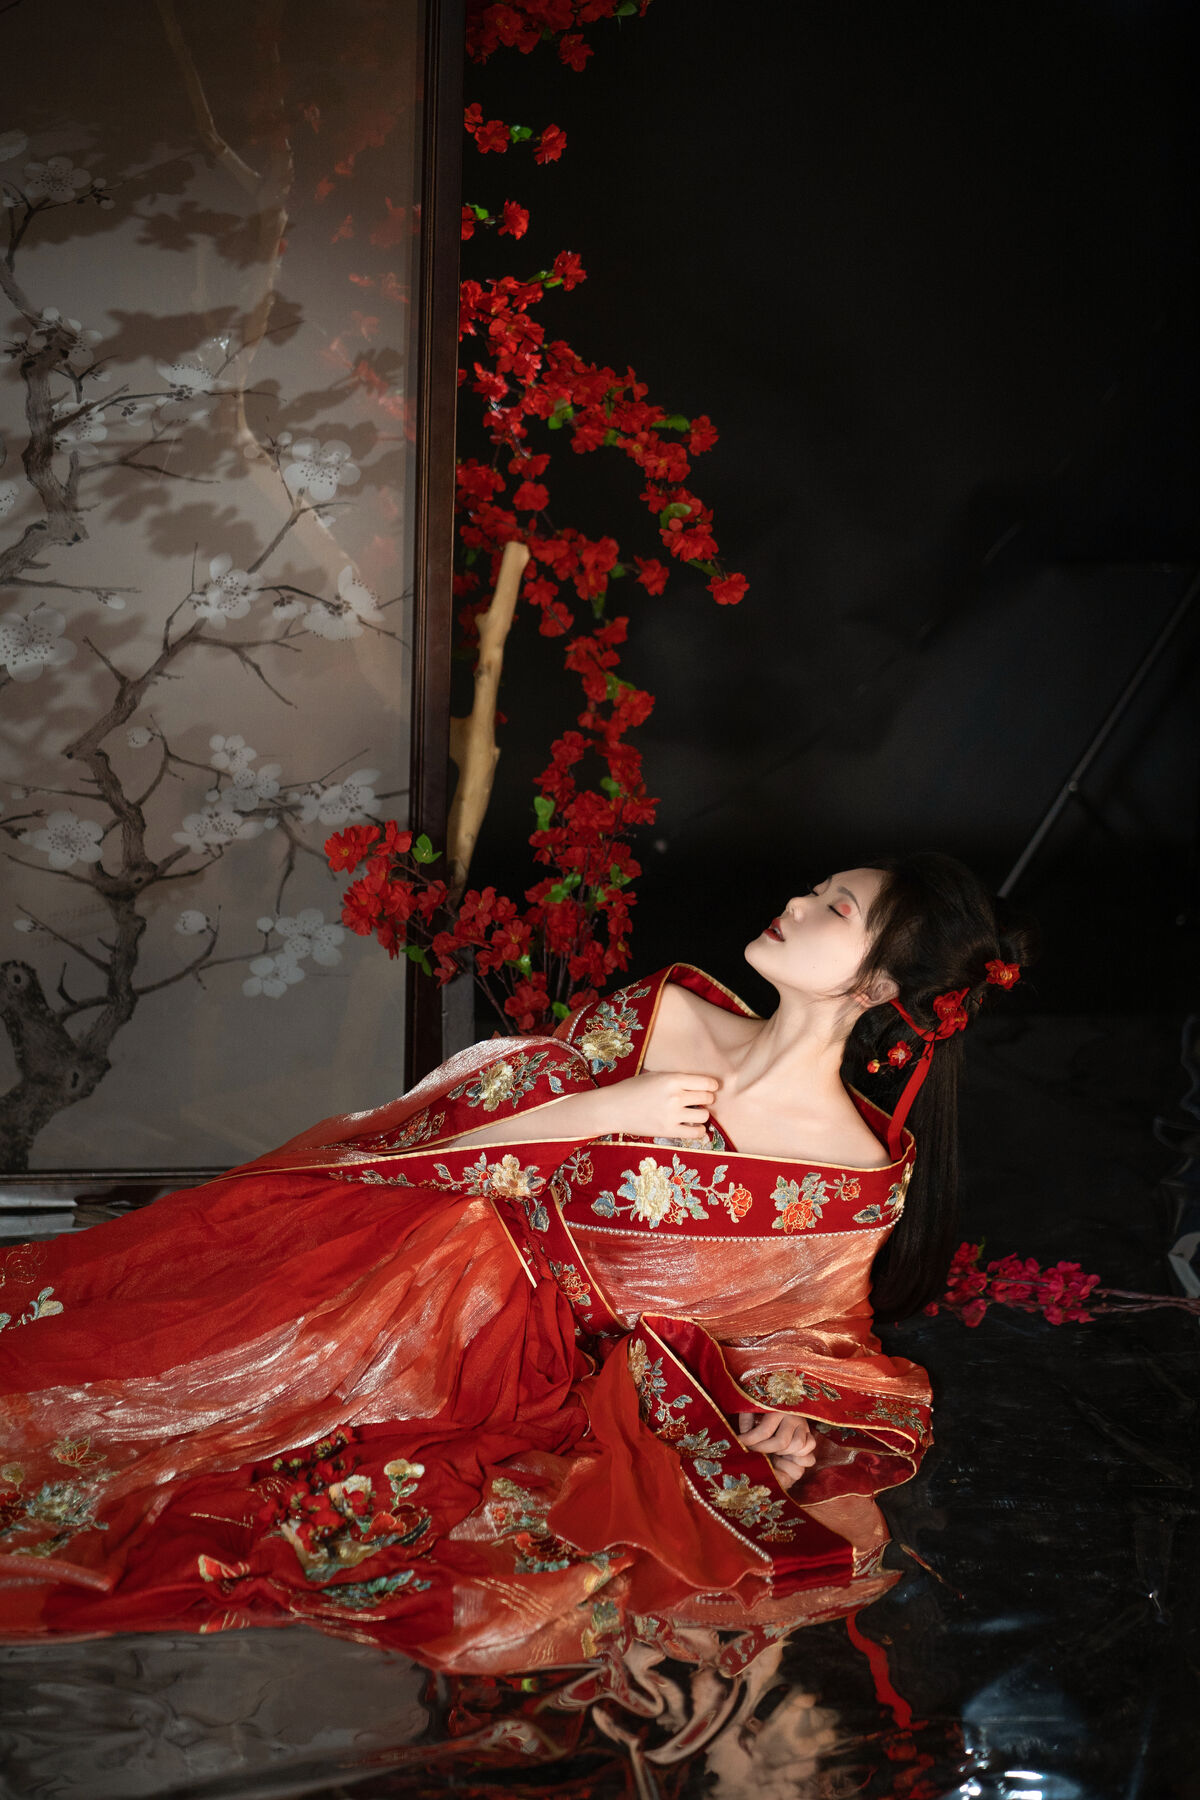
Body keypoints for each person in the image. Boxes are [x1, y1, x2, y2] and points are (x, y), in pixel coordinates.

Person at [0, 851, 1027, 1678]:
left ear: (881, 984)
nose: (796, 903)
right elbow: (454, 1126)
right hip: (426, 1271)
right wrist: (597, 1111)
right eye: (814, 886)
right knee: (160, 1375)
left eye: (834, 907)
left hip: (553, 1379)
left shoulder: (851, 1172)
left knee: (300, 1491)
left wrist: (785, 1417)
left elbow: (813, 1335)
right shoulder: (666, 1014)